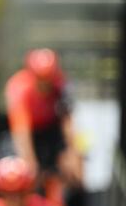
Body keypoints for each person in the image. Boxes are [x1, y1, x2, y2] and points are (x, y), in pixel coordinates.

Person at [5, 49, 83, 191]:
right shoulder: (19, 88)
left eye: (48, 78)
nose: (45, 84)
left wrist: (73, 153)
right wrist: (29, 163)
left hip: (52, 130)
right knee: (27, 172)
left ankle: (66, 197)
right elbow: (21, 131)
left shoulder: (61, 84)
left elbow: (67, 122)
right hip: (31, 132)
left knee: (74, 169)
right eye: (40, 79)